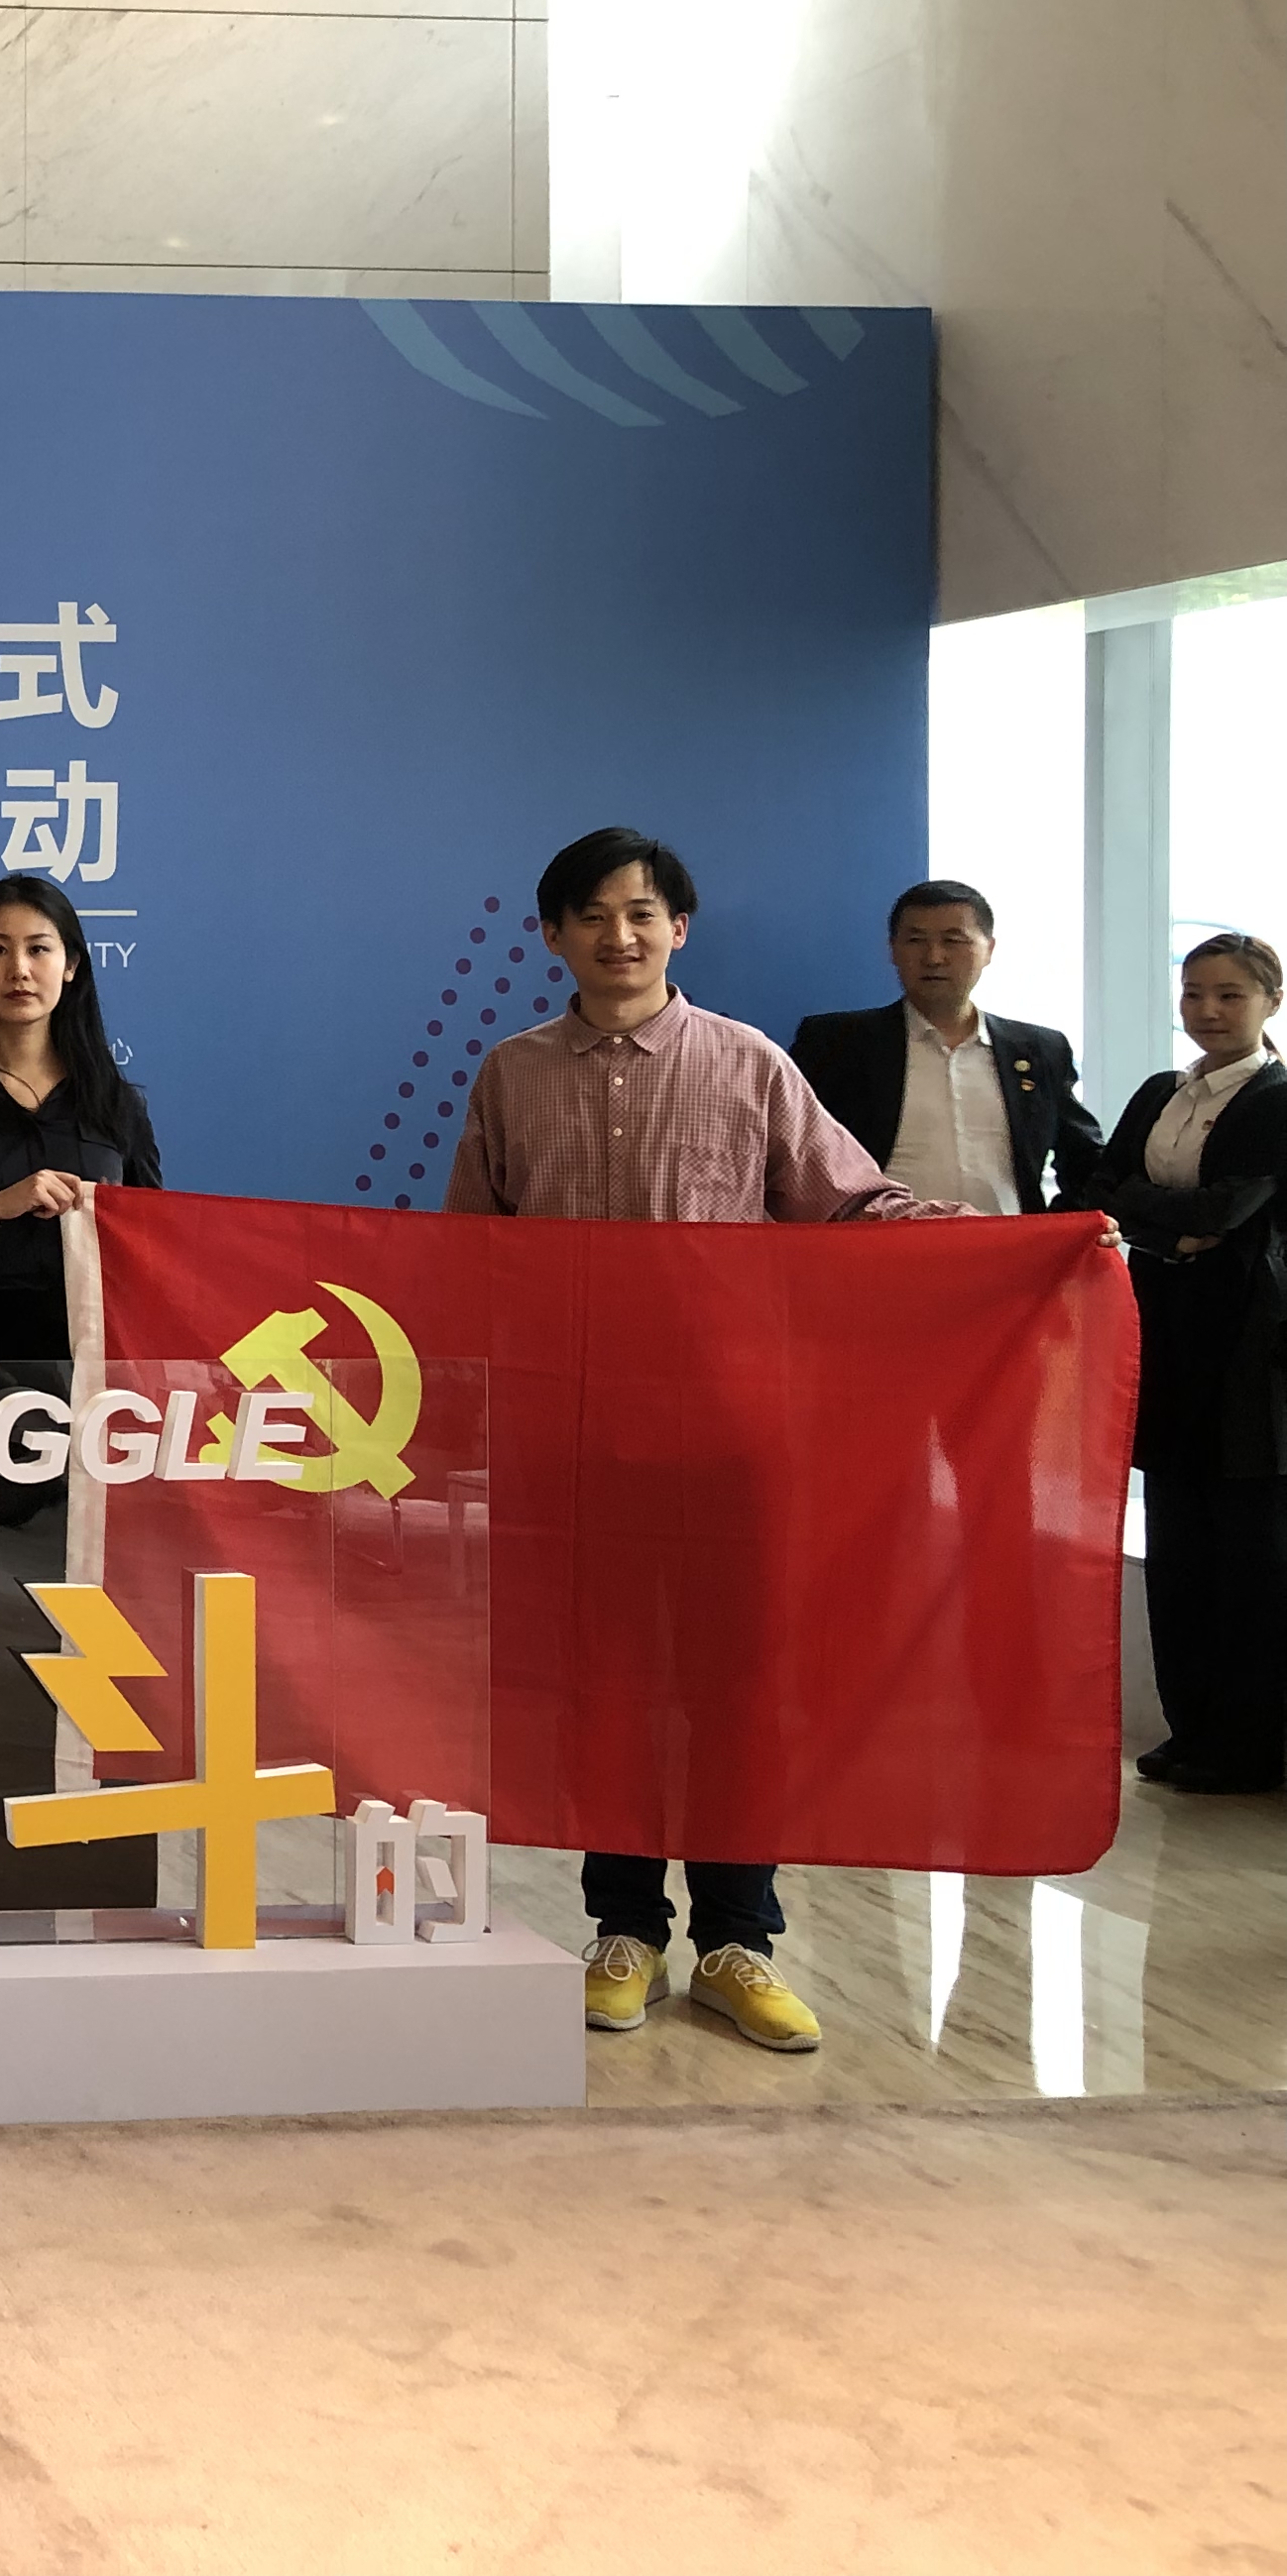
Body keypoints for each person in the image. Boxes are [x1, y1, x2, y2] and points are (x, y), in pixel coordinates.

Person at [444, 825, 958, 2055]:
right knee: (606, 1685)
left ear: (679, 928)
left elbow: (853, 1204)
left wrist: (998, 1244)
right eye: (591, 915)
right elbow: (467, 1254)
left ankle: (738, 1942)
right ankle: (623, 1932)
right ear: (552, 935)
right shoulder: (512, 1074)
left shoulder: (749, 1063)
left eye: (641, 913)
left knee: (736, 1685)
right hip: (579, 1437)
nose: (617, 936)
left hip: (728, 1434)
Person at [1087, 935, 1286, 1794]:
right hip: (1164, 1332)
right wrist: (1174, 1228)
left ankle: (1246, 1743)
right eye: (1195, 993)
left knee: (1246, 1554)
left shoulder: (1276, 1098)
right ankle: (1189, 1727)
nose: (1208, 1010)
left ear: (1271, 1001)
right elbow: (1101, 1186)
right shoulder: (1160, 1091)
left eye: (1230, 995)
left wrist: (1155, 1219)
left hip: (1247, 1348)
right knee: (1176, 1544)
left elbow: (1228, 1210)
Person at [0, 869, 165, 1457]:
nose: (19, 969)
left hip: (94, 1369)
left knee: (84, 1520)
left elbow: (152, 1245)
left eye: (39, 949)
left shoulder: (116, 1104)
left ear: (71, 965)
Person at [788, 879, 1102, 1215]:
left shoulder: (1041, 1050)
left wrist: (1060, 1229)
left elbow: (1086, 1163)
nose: (934, 957)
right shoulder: (837, 1043)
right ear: (892, 949)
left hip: (1008, 1243)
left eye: (953, 940)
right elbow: (795, 1157)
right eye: (916, 941)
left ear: (989, 949)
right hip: (880, 1241)